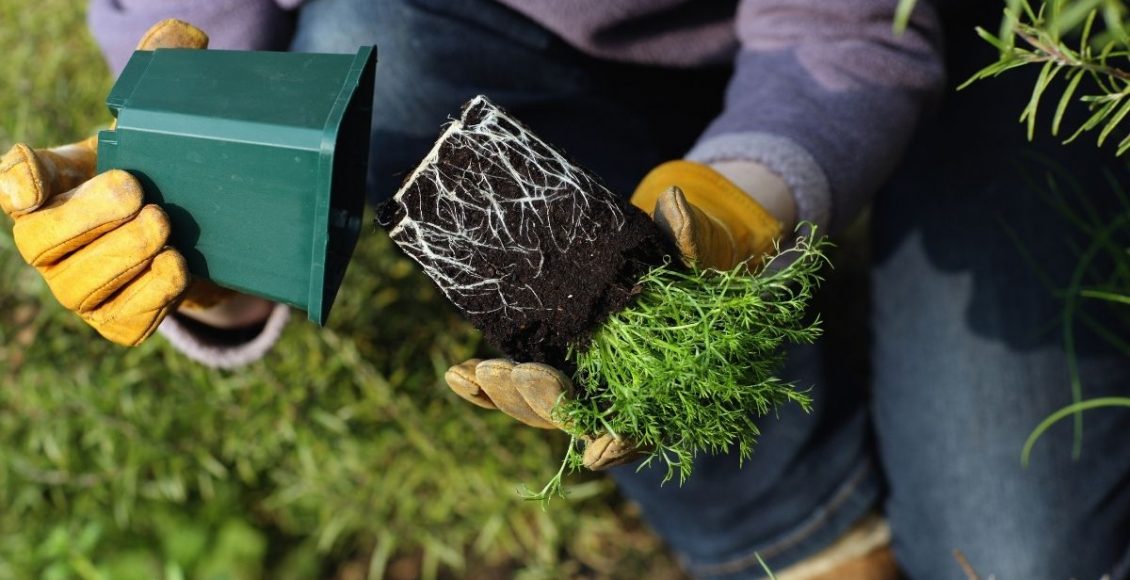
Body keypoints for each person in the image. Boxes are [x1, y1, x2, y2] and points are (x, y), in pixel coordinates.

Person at [1, 1, 1127, 578]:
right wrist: (199, 239)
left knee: (1020, 561)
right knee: (370, 47)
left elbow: (845, 36)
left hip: (993, 38)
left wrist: (732, 210)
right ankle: (792, 521)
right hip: (519, 48)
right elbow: (221, 53)